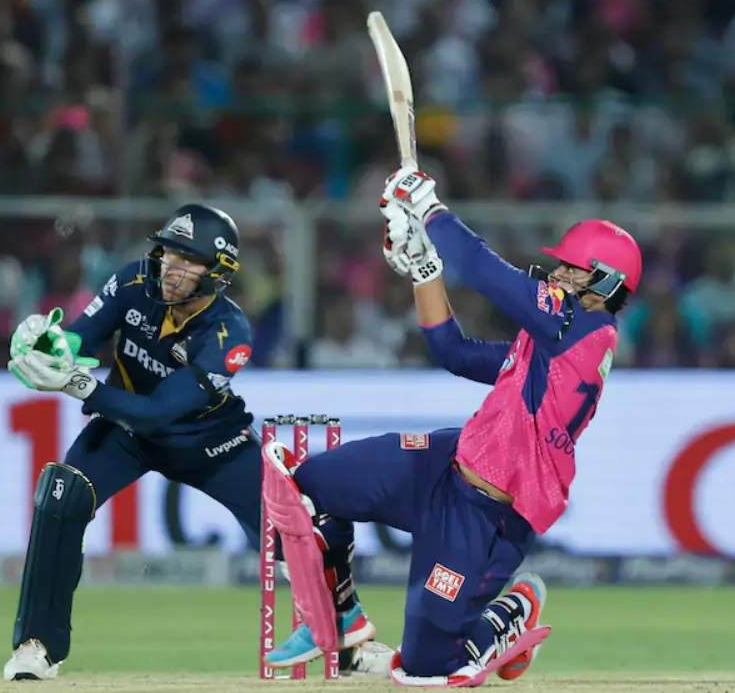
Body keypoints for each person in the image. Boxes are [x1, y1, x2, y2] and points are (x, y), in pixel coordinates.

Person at [262, 170, 643, 686]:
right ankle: (342, 615)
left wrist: (432, 214)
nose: (555, 275)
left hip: (488, 515)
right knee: (304, 488)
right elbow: (452, 351)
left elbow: (483, 270)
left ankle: (509, 615)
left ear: (605, 282)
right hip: (444, 464)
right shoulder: (552, 339)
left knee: (425, 670)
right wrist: (423, 268)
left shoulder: (585, 329)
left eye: (571, 270)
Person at [1, 204, 376, 680]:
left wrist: (77, 385)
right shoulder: (134, 282)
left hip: (208, 441)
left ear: (217, 273)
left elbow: (160, 410)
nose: (172, 268)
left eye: (188, 260)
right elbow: (82, 337)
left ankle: (348, 645)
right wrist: (51, 345)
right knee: (61, 495)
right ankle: (37, 646)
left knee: (296, 521)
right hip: (124, 431)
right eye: (169, 254)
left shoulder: (230, 333)